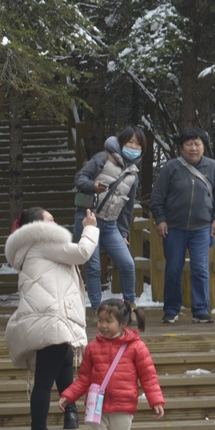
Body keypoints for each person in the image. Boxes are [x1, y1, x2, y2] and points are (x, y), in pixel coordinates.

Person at [4, 206, 98, 430]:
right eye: (50, 219)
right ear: (38, 226)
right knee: (44, 382)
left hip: (49, 316)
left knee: (64, 361)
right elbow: (82, 252)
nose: (55, 223)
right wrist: (90, 228)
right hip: (51, 317)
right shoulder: (43, 241)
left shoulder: (33, 248)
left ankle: (70, 413)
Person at [59, 298, 164, 430]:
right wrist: (68, 395)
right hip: (96, 408)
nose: (103, 325)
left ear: (123, 324)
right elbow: (84, 378)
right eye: (100, 320)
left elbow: (149, 376)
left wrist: (155, 400)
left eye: (109, 321)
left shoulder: (136, 348)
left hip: (123, 408)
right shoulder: (92, 348)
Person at [150, 129, 215, 324]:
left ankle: (201, 310)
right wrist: (160, 219)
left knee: (201, 269)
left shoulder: (213, 167)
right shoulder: (171, 168)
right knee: (173, 269)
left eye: (197, 144)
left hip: (202, 227)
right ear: (181, 147)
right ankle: (171, 309)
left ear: (203, 146)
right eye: (189, 144)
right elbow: (157, 197)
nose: (193, 148)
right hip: (174, 228)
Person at [72, 129, 143, 306]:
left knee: (127, 264)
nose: (134, 147)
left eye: (138, 144)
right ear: (121, 142)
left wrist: (124, 232)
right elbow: (80, 178)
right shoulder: (103, 157)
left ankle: (129, 306)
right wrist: (93, 186)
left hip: (111, 225)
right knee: (94, 268)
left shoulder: (133, 173)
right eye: (130, 142)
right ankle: (97, 309)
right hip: (89, 219)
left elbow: (128, 206)